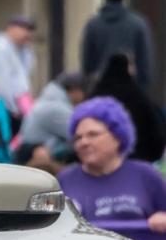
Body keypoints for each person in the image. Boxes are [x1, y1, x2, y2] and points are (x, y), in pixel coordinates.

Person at [58, 97, 166, 232]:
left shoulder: (146, 176)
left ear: (117, 138)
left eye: (93, 134)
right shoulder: (64, 180)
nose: (83, 142)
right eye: (78, 137)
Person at [90, 54, 166, 163]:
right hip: (138, 160)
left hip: (100, 163)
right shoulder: (139, 98)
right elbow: (157, 133)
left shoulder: (95, 97)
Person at [81, 0, 154, 89]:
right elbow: (144, 64)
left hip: (101, 88)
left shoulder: (93, 25)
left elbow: (87, 64)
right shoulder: (138, 24)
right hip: (130, 89)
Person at [17, 71, 86, 162]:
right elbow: (79, 133)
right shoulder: (56, 107)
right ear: (75, 90)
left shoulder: (48, 100)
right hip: (33, 157)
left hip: (29, 152)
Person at [0, 14, 36, 129]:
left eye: (29, 30)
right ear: (10, 28)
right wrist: (13, 109)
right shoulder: (0, 50)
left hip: (22, 107)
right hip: (7, 109)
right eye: (23, 29)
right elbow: (2, 84)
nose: (27, 34)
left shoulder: (23, 51)